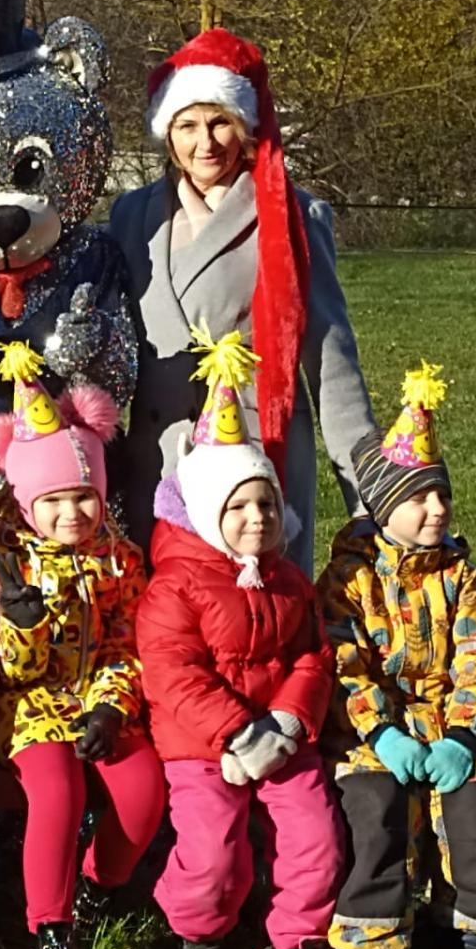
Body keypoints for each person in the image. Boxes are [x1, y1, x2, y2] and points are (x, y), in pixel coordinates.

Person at [108, 29, 375, 571]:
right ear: (167, 133)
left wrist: (368, 499)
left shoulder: (293, 216)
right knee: (170, 608)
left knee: (257, 607)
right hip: (160, 457)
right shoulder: (132, 215)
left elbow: (332, 366)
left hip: (254, 460)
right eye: (187, 126)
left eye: (219, 122)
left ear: (246, 126)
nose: (204, 143)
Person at [136, 331, 342, 949]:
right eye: (238, 507)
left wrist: (288, 720)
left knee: (315, 834)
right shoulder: (175, 586)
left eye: (266, 505)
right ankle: (197, 929)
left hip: (280, 735)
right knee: (213, 848)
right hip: (203, 743)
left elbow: (312, 654)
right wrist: (235, 733)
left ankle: (296, 941)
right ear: (206, 514)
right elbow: (175, 675)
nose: (256, 519)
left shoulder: (288, 581)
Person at [318, 363, 476, 949]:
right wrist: (379, 730)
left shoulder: (464, 578)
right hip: (373, 730)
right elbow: (342, 661)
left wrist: (465, 735)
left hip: (450, 724)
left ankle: (469, 939)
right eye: (419, 498)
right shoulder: (348, 580)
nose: (436, 510)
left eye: (442, 496)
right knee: (373, 806)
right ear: (384, 507)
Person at [0, 343, 166, 949]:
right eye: (53, 500)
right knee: (56, 791)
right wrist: (24, 624)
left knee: (142, 793)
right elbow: (7, 670)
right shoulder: (4, 559)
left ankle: (95, 885)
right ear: (28, 501)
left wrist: (112, 706)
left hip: (95, 699)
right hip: (27, 705)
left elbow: (124, 641)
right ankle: (52, 943)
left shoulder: (117, 557)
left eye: (83, 497)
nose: (71, 514)